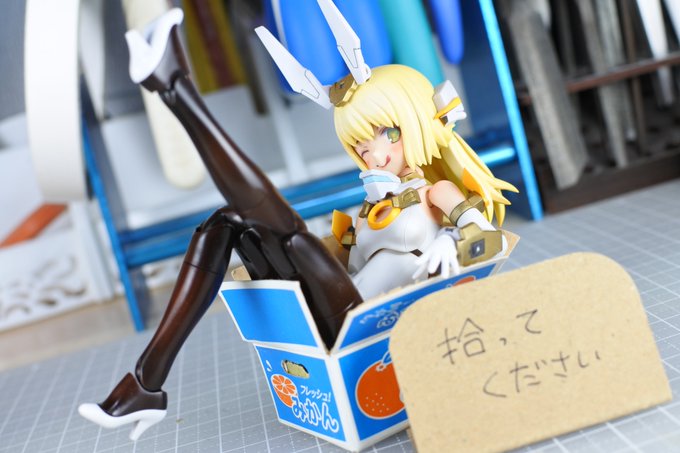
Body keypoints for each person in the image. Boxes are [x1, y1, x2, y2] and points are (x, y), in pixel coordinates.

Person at [331, 65, 517, 299]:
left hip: (428, 301)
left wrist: (451, 240)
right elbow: (356, 269)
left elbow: (495, 242)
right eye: (364, 150)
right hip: (370, 305)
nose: (377, 156)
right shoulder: (367, 210)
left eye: (390, 134)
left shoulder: (435, 193)